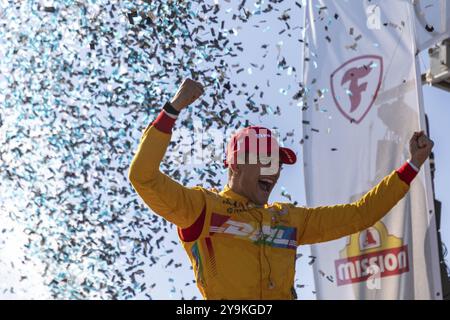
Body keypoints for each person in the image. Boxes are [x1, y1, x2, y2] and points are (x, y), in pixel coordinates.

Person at [128, 78, 434, 299]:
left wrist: (412, 165)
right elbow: (143, 177)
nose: (273, 172)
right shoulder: (201, 208)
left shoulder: (288, 219)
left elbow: (360, 215)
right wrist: (172, 109)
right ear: (234, 166)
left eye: (277, 164)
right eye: (264, 161)